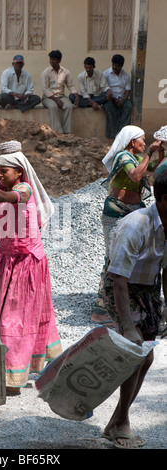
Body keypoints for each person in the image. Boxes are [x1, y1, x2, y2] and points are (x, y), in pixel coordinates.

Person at [0, 140, 62, 394]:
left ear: (19, 172)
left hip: (27, 263)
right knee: (2, 316)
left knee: (14, 319)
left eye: (4, 171)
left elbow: (5, 197)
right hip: (8, 261)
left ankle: (13, 377)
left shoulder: (23, 190)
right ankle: (7, 370)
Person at [101, 169, 167, 449]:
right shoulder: (135, 224)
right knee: (135, 354)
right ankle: (122, 423)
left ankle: (114, 421)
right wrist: (127, 326)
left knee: (147, 358)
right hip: (122, 287)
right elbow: (117, 278)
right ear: (164, 199)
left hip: (148, 289)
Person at [92, 125, 164, 323]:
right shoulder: (123, 157)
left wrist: (161, 152)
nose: (145, 143)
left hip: (134, 211)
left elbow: (157, 170)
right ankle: (102, 309)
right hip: (116, 211)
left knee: (133, 255)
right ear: (133, 142)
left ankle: (128, 304)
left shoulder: (138, 159)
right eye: (142, 140)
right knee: (113, 256)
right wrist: (150, 152)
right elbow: (136, 175)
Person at [41, 50, 79, 134]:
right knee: (53, 107)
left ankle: (67, 132)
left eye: (54, 59)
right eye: (50, 59)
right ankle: (58, 132)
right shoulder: (45, 73)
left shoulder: (66, 72)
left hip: (61, 96)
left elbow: (70, 85)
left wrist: (76, 95)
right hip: (48, 97)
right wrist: (56, 100)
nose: (51, 61)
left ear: (59, 60)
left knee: (69, 106)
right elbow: (45, 89)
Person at [103, 54, 132, 139]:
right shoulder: (106, 74)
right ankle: (111, 135)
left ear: (121, 66)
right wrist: (114, 99)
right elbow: (105, 89)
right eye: (114, 65)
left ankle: (122, 133)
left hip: (122, 98)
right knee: (109, 108)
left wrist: (122, 100)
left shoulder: (126, 75)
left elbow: (127, 90)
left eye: (117, 65)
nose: (115, 67)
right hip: (110, 98)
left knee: (129, 106)